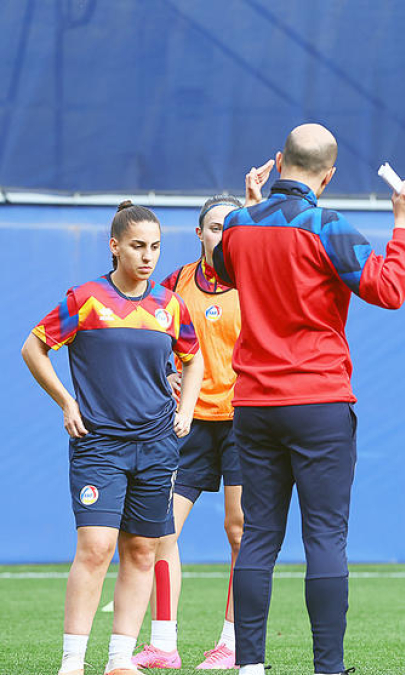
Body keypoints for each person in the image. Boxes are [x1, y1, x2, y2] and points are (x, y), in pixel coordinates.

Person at [212, 124, 405, 675]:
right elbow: (390, 290)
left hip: (254, 405)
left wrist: (251, 210)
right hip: (319, 401)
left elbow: (220, 266)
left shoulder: (236, 225)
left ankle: (249, 666)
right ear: (328, 176)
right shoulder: (331, 227)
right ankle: (327, 668)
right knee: (324, 536)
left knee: (258, 536)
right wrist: (404, 226)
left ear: (278, 160)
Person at [21, 201, 204, 675]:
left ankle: (121, 660)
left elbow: (193, 356)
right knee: (97, 547)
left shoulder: (170, 305)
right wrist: (67, 401)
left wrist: (186, 409)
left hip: (158, 444)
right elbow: (33, 347)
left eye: (156, 247)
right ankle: (73, 661)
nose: (148, 257)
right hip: (99, 444)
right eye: (138, 246)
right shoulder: (85, 299)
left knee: (142, 551)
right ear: (115, 246)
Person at [131, 195, 246, 671]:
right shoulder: (175, 283)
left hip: (244, 422)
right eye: (215, 227)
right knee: (161, 532)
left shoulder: (256, 282)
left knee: (240, 532)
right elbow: (148, 331)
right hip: (187, 422)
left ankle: (234, 645)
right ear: (200, 234)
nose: (223, 235)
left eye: (231, 228)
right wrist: (166, 373)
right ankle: (163, 644)